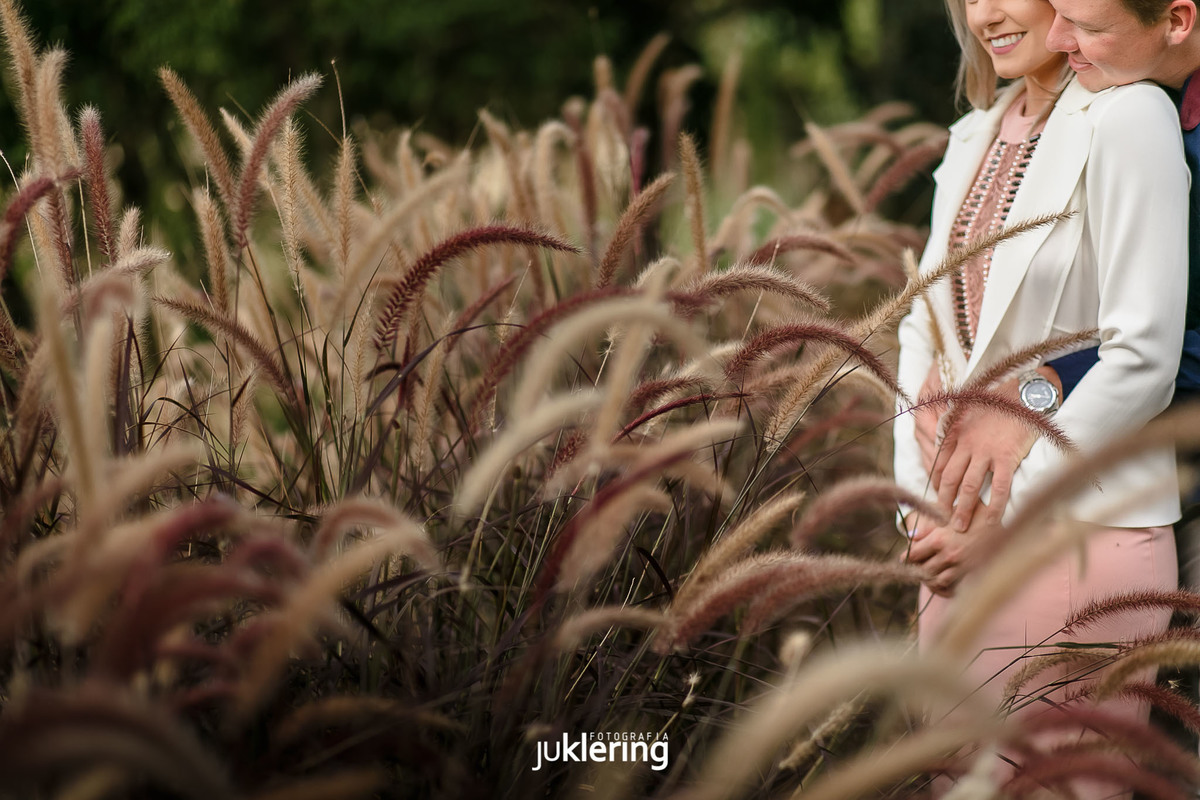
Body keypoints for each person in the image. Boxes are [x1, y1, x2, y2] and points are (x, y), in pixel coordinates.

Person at [894, 0, 1189, 793]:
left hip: (1078, 532)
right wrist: (918, 505)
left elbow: (1144, 353)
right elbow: (921, 326)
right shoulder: (970, 136)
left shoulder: (1129, 119)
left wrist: (1003, 514)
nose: (986, 13)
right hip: (953, 539)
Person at [922, 0, 1200, 563]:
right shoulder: (1137, 102)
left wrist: (1043, 385)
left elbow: (1153, 346)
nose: (1057, 36)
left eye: (1085, 26)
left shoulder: (1135, 115)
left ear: (1177, 22)